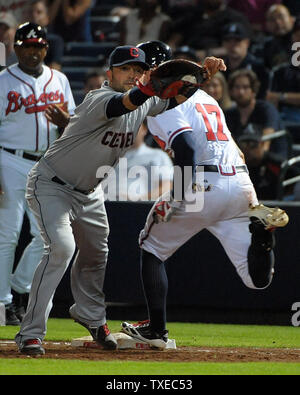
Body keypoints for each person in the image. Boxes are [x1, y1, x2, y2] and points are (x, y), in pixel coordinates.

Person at [14, 44, 225, 355]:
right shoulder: (98, 99)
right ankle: (30, 334)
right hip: (52, 186)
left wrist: (201, 77)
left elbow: (173, 98)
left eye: (138, 70)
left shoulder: (144, 100)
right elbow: (124, 104)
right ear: (109, 73)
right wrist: (148, 86)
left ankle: (91, 316)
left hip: (89, 193)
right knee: (61, 248)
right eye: (126, 69)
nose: (133, 74)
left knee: (97, 254)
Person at [120, 41, 289, 349]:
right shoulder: (206, 97)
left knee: (152, 247)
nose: (138, 76)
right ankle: (264, 239)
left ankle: (156, 331)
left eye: (142, 70)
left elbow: (184, 149)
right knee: (257, 280)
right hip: (239, 180)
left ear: (155, 71)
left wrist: (177, 198)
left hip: (202, 183)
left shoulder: (163, 101)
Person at [0, 22, 75, 326]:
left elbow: (72, 125)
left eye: (38, 46)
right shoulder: (3, 81)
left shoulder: (59, 80)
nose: (33, 52)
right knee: (7, 234)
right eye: (27, 46)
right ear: (16, 48)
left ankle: (19, 288)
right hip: (8, 159)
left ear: (46, 48)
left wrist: (66, 121)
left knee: (45, 235)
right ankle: (4, 303)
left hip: (46, 163)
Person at [104, 121, 173, 201]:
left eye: (135, 126)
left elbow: (167, 187)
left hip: (141, 209)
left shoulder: (159, 156)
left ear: (144, 130)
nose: (129, 130)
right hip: (108, 207)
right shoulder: (109, 157)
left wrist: (137, 199)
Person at [225, 69, 287, 157]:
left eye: (245, 87)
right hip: (242, 161)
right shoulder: (229, 114)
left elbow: (265, 144)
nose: (241, 92)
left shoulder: (266, 109)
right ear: (231, 91)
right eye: (237, 87)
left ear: (253, 91)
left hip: (272, 160)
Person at [221, 22, 270, 99]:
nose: (232, 45)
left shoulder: (259, 68)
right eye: (228, 40)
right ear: (223, 43)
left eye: (237, 40)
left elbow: (263, 96)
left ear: (247, 43)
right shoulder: (219, 68)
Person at [28, 0, 64, 71]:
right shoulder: (18, 39)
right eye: (31, 12)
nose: (34, 15)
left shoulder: (54, 41)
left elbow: (55, 68)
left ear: (47, 18)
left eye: (39, 12)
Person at [264, 4, 296, 69]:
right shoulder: (266, 46)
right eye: (272, 19)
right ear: (267, 25)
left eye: (281, 17)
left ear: (291, 19)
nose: (277, 22)